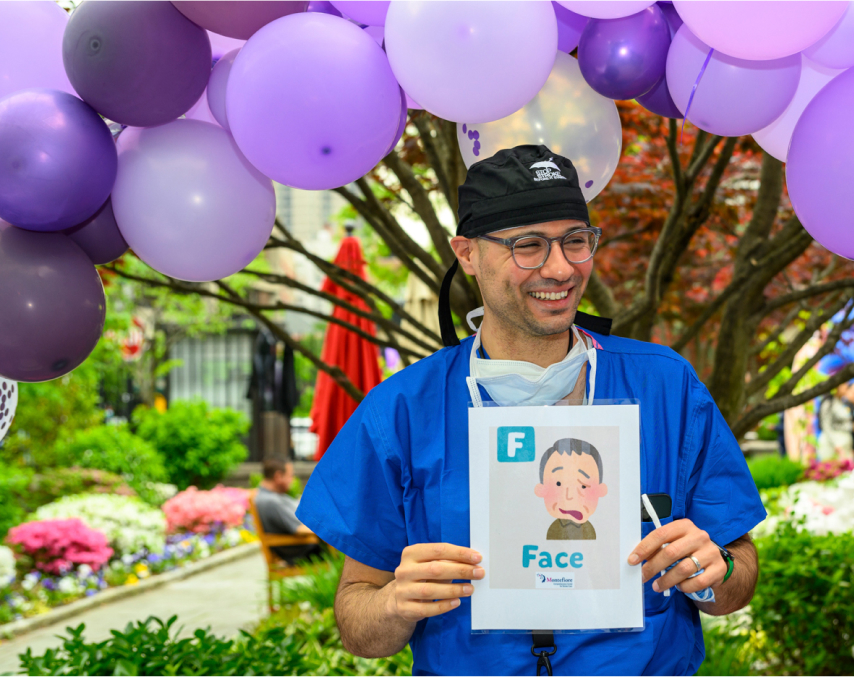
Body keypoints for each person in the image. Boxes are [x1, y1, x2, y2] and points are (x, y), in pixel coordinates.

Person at [295, 146, 765, 675]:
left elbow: (738, 574)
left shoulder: (664, 387)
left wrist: (715, 570)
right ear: (468, 254)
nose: (560, 267)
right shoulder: (403, 412)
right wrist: (392, 603)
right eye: (528, 246)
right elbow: (359, 626)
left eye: (575, 241)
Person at [254, 456, 323, 565]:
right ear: (278, 476)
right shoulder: (272, 502)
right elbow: (301, 529)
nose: (293, 480)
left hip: (302, 548)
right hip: (305, 552)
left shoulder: (270, 496)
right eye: (290, 476)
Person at [534, 438, 607, 540]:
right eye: (558, 484)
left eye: (583, 486)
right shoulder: (553, 530)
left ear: (601, 490)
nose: (569, 496)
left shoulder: (592, 532)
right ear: (541, 489)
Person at [817, 383, 854, 462]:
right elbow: (826, 426)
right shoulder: (828, 403)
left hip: (845, 443)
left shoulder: (843, 402)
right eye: (843, 384)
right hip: (833, 444)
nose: (846, 386)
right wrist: (836, 444)